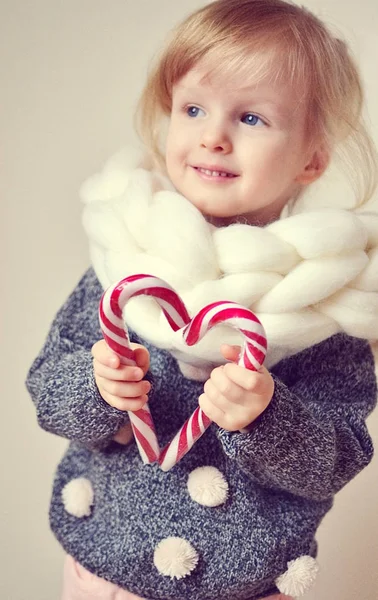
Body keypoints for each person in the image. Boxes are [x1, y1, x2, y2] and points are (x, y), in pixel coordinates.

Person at [26, 1, 378, 599]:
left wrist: (268, 417)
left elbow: (337, 458)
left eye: (251, 118)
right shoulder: (125, 265)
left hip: (240, 585)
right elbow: (47, 392)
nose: (212, 136)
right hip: (105, 571)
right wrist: (98, 388)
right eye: (193, 108)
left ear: (312, 158)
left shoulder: (328, 304)